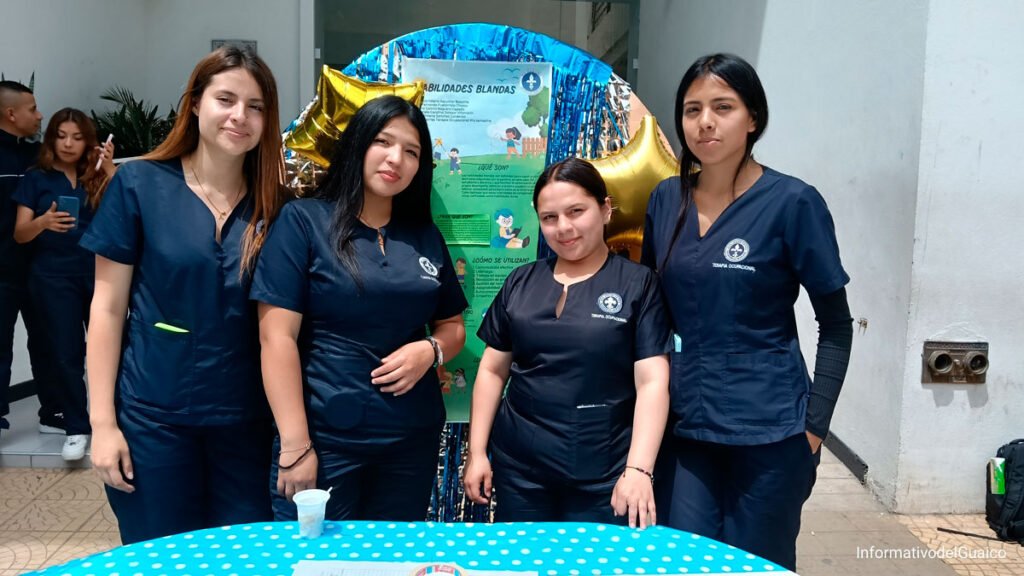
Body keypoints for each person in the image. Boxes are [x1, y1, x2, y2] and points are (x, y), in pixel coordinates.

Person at [641, 53, 853, 570]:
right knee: (682, 561)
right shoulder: (666, 200)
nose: (705, 122)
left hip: (772, 431)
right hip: (686, 428)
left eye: (723, 107)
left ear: (752, 118)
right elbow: (651, 313)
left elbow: (836, 325)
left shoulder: (793, 202)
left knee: (759, 565)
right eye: (692, 109)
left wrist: (814, 427)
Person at [80, 46, 288, 544]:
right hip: (154, 419)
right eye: (226, 99)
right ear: (195, 103)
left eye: (255, 106)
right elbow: (107, 309)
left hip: (246, 425)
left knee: (244, 558)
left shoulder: (278, 205)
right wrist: (103, 424)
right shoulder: (139, 184)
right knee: (160, 556)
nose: (240, 116)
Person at [251, 95, 467, 521]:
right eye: (383, 142)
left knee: (395, 555)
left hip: (411, 442)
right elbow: (276, 338)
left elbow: (453, 326)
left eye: (411, 152)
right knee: (315, 556)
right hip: (326, 440)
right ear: (357, 145)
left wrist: (430, 350)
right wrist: (296, 446)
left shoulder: (423, 236)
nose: (396, 159)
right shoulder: (304, 222)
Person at [464, 158, 671, 527]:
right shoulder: (520, 281)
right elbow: (493, 371)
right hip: (521, 471)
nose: (563, 227)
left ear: (605, 209)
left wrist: (639, 470)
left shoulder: (638, 284)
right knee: (522, 558)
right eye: (549, 217)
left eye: (576, 211)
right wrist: (477, 451)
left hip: (605, 473)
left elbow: (652, 381)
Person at [12, 108, 115, 460]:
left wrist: (109, 169)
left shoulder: (97, 176)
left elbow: (131, 208)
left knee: (112, 349)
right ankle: (76, 427)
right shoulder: (36, 178)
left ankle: (115, 421)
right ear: (51, 139)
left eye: (77, 137)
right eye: (61, 136)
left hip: (98, 274)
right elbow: (20, 234)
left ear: (88, 141)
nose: (68, 143)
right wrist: (42, 223)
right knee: (66, 353)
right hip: (52, 278)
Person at [0, 80, 63, 438]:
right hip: (2, 271)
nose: (39, 116)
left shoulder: (41, 157)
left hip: (41, 267)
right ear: (11, 114)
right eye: (32, 109)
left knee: (49, 341)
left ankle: (53, 411)